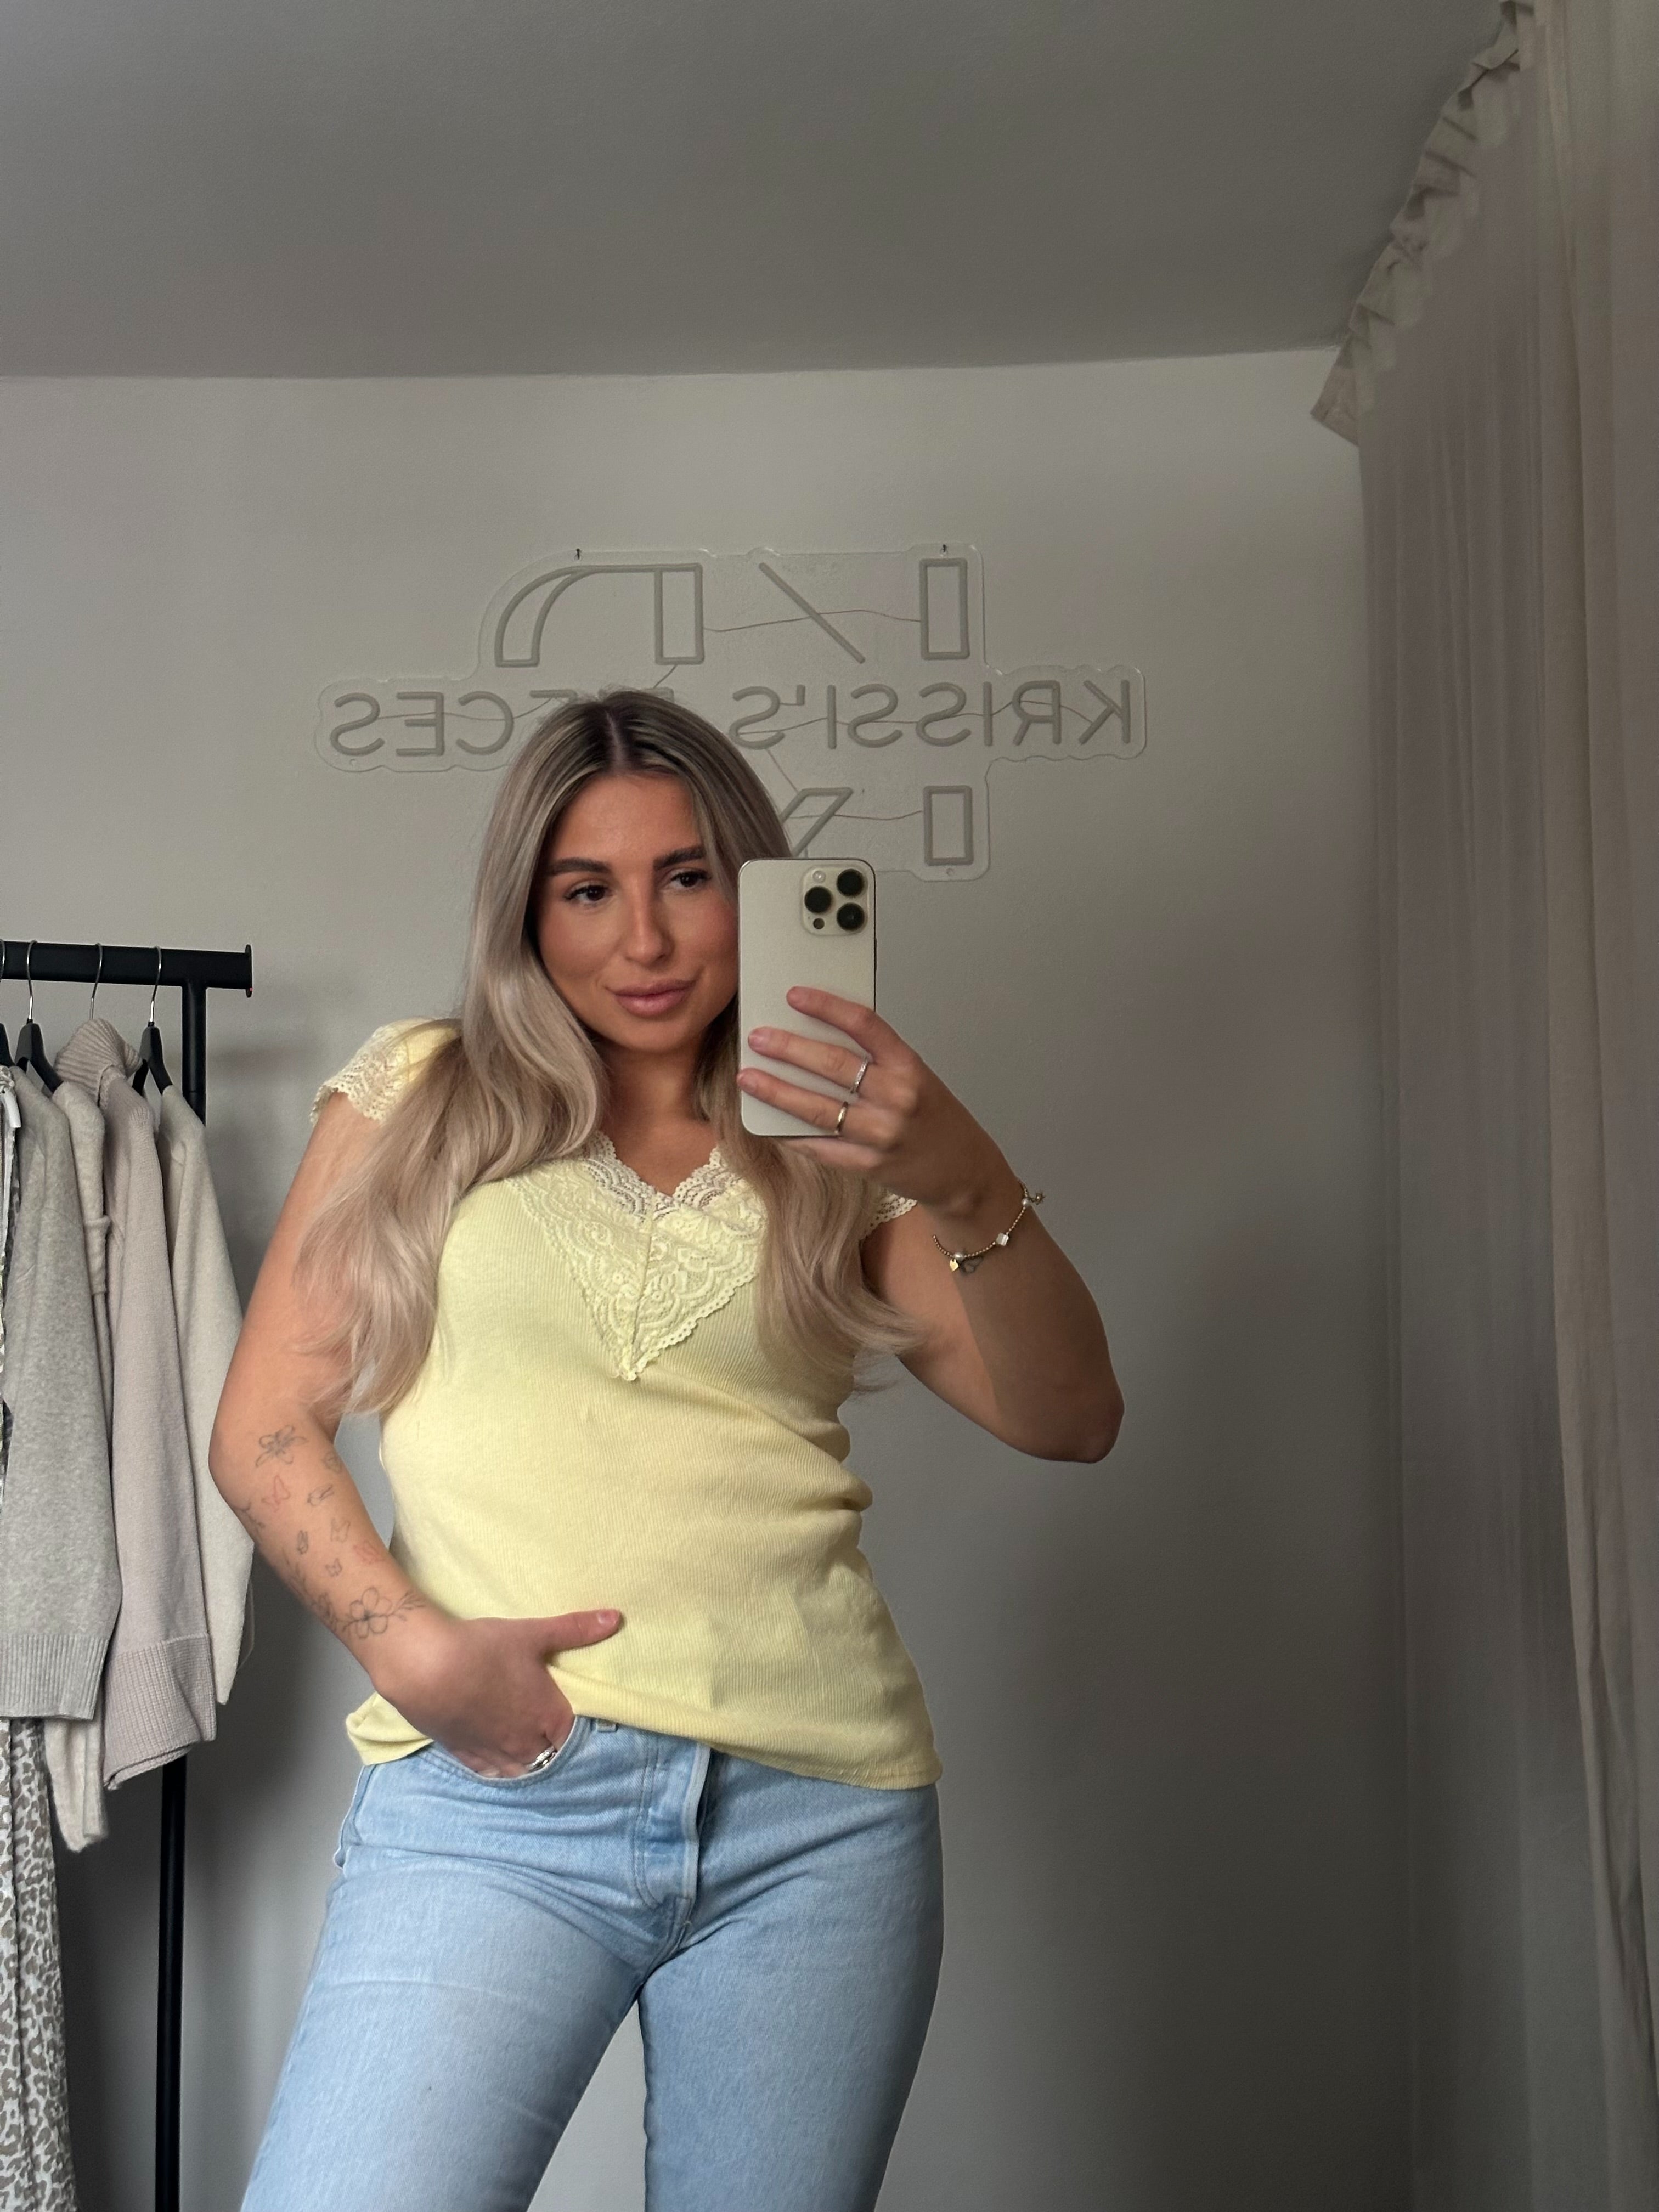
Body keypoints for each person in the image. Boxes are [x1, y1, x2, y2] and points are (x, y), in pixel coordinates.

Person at [213, 689, 1122, 2212]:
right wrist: (408, 1647)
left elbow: (1073, 1417)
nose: (643, 940)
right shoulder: (420, 1097)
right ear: (527, 911)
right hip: (497, 1800)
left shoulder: (837, 1150)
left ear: (752, 888)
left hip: (818, 1823)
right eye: (588, 890)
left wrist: (966, 1179)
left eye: (686, 879)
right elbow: (262, 1423)